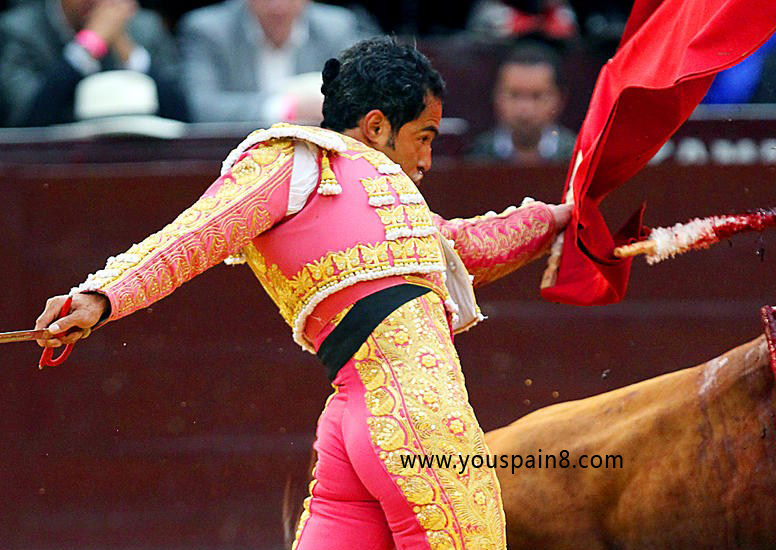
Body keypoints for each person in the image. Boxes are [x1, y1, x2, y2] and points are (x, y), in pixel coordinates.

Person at [33, 37, 571, 549]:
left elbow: (465, 246)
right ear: (378, 126)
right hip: (421, 421)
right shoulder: (295, 164)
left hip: (350, 426)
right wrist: (101, 296)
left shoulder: (380, 199)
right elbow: (192, 236)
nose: (427, 161)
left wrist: (560, 218)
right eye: (423, 137)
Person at [178, 0, 377, 124]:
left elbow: (359, 100)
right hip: (235, 162)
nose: (278, 5)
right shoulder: (208, 30)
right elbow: (204, 108)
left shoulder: (338, 27)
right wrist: (286, 109)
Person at [0, 0, 188, 127]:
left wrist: (129, 53)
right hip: (51, 165)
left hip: (131, 156)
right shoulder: (19, 30)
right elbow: (25, 119)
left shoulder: (144, 27)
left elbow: (182, 118)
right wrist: (87, 47)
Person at [469, 44, 577, 164]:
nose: (525, 109)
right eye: (514, 95)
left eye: (537, 96)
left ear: (560, 100)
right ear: (496, 96)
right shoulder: (473, 157)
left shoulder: (578, 156)